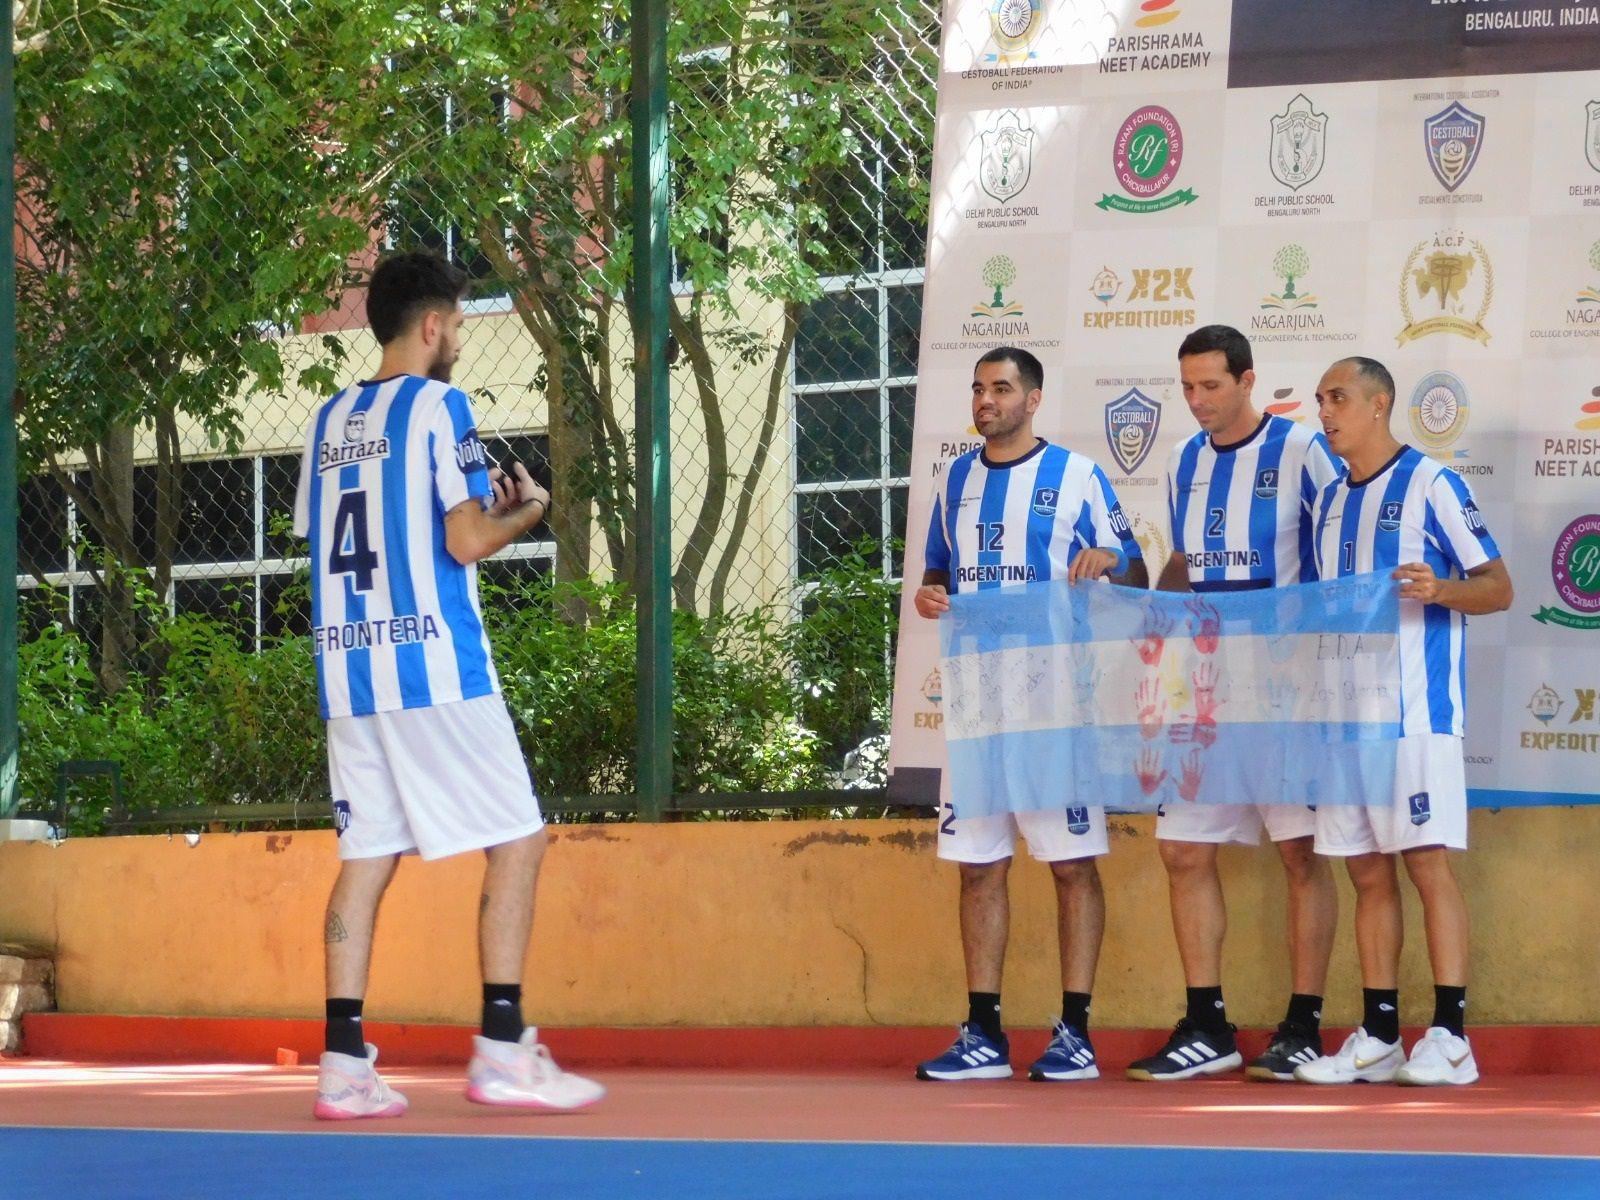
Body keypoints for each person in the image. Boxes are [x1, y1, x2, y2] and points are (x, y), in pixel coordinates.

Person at [293, 250, 604, 1119]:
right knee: (519, 839)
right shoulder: (443, 405)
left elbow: (338, 539)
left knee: (365, 858)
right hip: (434, 663)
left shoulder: (325, 423)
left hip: (351, 672)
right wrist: (529, 510)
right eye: (460, 324)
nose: (460, 338)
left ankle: (344, 1063)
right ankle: (503, 1048)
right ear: (432, 326)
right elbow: (464, 541)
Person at [912, 346, 1147, 1083]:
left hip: (1054, 701)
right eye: (979, 389)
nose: (986, 401)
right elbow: (936, 572)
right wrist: (930, 595)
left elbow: (1134, 566)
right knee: (978, 867)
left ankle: (1074, 1032)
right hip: (977, 700)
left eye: (1002, 389)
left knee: (1072, 864)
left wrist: (1105, 563)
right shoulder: (955, 478)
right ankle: (982, 1032)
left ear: (1034, 398)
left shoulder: (1077, 476)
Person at [1128, 325, 1343, 1082]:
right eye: (1186, 387)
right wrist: (1154, 629)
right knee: (1182, 849)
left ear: (1248, 380)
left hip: (1287, 689)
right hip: (1205, 686)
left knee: (1300, 852)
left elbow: (1338, 557)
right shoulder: (1184, 460)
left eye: (1210, 386)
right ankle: (1208, 1023)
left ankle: (1304, 1026)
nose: (1196, 402)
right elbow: (1185, 560)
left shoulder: (1303, 451)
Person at [1294, 356, 1512, 1087]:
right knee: (1366, 875)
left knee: (1425, 864)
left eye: (1340, 398)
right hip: (1345, 724)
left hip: (1418, 716)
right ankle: (1380, 1033)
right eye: (1321, 399)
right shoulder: (1325, 504)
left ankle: (1451, 1035)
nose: (1326, 411)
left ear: (1380, 404)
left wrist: (1441, 587)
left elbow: (1499, 588)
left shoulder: (1432, 483)